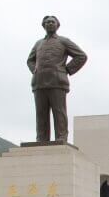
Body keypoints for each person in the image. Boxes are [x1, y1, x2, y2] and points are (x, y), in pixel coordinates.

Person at [27, 15, 87, 143]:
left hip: (57, 82)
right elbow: (30, 60)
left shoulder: (63, 41)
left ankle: (61, 137)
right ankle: (41, 139)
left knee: (59, 112)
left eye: (52, 22)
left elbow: (81, 56)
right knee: (41, 114)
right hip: (39, 82)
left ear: (57, 25)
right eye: (47, 22)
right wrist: (35, 70)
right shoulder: (38, 44)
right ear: (43, 26)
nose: (50, 24)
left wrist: (67, 70)